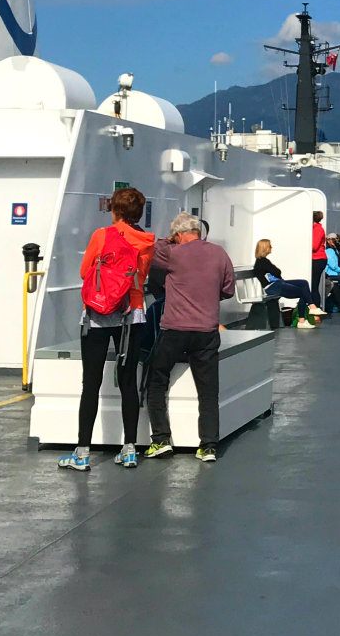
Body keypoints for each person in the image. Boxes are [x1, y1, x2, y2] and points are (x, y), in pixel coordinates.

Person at [58, 188, 157, 471]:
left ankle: (82, 452)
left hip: (98, 314)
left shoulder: (102, 235)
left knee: (91, 383)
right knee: (128, 382)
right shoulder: (147, 242)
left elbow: (84, 271)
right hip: (132, 315)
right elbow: (141, 276)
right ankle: (128, 450)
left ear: (115, 210)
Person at [143, 212, 237, 462]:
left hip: (175, 329)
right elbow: (228, 290)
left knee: (156, 379)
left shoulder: (172, 253)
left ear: (179, 234)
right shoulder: (219, 253)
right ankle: (208, 446)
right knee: (208, 390)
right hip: (207, 331)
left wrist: (170, 238)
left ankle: (161, 439)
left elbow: (154, 248)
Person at [252, 238, 325, 323]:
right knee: (303, 292)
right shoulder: (262, 262)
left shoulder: (263, 261)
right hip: (272, 287)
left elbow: (276, 272)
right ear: (265, 248)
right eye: (269, 246)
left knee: (303, 283)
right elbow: (277, 272)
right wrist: (275, 271)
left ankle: (310, 309)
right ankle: (305, 317)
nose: (271, 247)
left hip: (277, 283)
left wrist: (275, 272)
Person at [308, 210, 327, 309]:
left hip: (317, 259)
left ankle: (316, 308)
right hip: (317, 259)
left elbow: (314, 246)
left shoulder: (317, 229)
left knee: (314, 286)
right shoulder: (315, 228)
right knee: (313, 285)